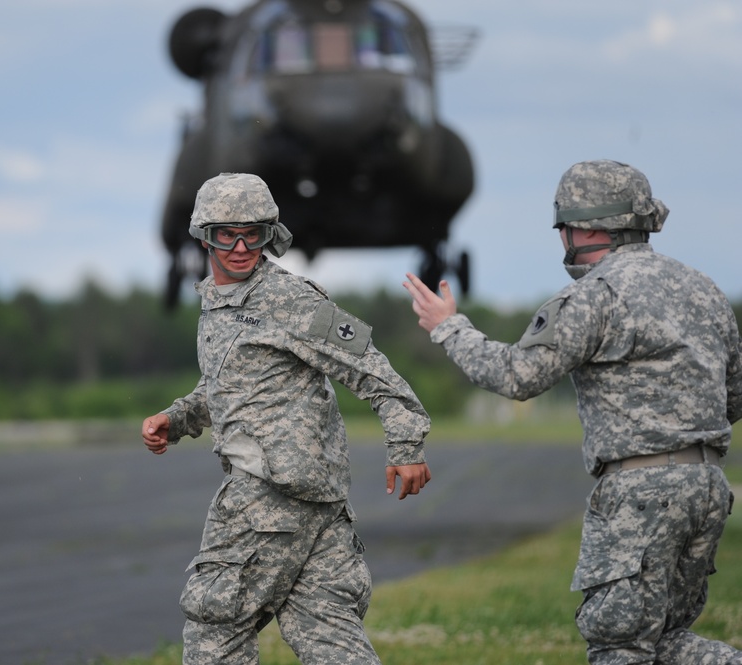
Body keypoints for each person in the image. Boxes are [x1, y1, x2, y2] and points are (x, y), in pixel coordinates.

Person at [402, 159, 742, 664]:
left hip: (639, 495)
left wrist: (449, 328)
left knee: (619, 645)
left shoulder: (594, 295)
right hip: (710, 487)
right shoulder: (704, 290)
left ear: (583, 227)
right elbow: (732, 394)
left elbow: (519, 376)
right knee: (667, 639)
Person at [142, 172, 432, 664]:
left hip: (268, 498)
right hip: (316, 506)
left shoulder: (290, 300)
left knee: (216, 631)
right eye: (224, 234)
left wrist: (406, 445)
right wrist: (179, 419)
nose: (239, 246)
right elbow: (237, 388)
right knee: (328, 636)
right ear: (203, 236)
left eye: (252, 233)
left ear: (270, 234)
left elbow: (369, 364)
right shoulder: (221, 304)